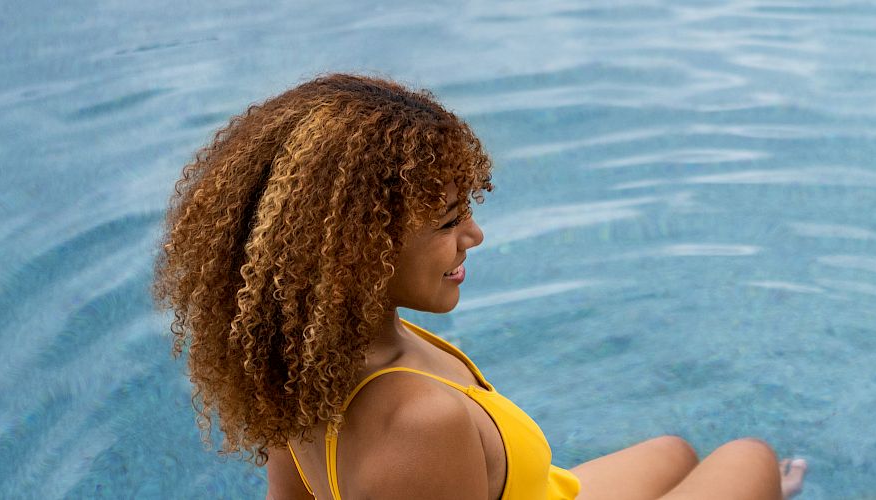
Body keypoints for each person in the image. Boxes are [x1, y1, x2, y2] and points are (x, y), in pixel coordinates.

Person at [153, 74, 807, 500]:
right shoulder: (416, 425)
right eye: (446, 221)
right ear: (358, 250)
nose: (475, 235)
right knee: (749, 459)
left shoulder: (308, 355)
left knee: (675, 452)